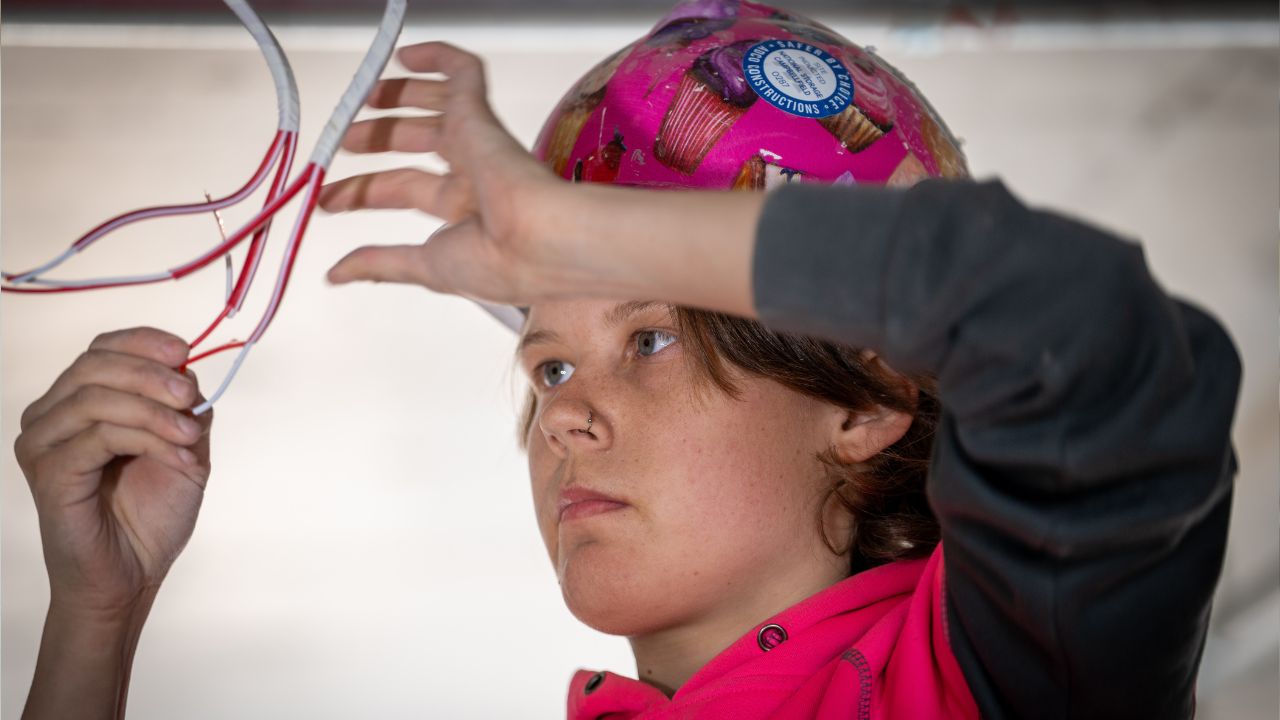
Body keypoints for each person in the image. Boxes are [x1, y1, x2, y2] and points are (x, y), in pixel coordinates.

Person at [16, 2, 1241, 718]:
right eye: (549, 367)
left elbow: (1092, 338)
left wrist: (560, 234)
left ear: (865, 397)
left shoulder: (1004, 665)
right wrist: (96, 617)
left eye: (646, 339)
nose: (563, 423)